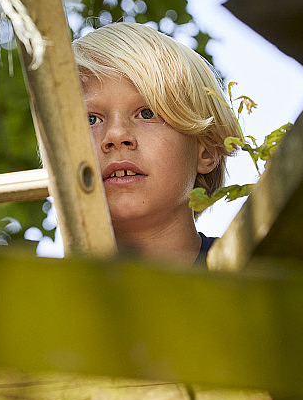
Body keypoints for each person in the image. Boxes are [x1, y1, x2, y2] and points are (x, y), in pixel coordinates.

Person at [72, 22, 241, 266]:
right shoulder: (40, 297)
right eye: (91, 119)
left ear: (207, 150)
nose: (116, 135)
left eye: (147, 113)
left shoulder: (256, 274)